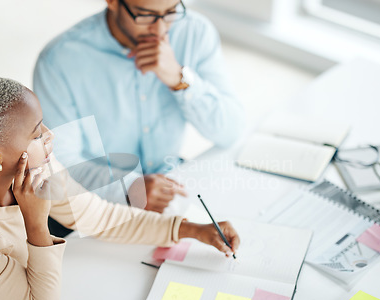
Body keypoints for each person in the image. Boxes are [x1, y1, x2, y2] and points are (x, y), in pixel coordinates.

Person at [0, 77, 240, 300]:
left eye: (42, 125)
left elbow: (102, 218)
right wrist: (36, 221)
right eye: (36, 133)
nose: (49, 136)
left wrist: (191, 229)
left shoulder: (28, 166)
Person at [33, 0, 244, 213]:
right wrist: (129, 187)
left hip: (171, 182)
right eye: (145, 15)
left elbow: (231, 130)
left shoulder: (195, 32)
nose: (160, 30)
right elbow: (58, 164)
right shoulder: (58, 60)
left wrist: (179, 78)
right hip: (97, 203)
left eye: (170, 12)